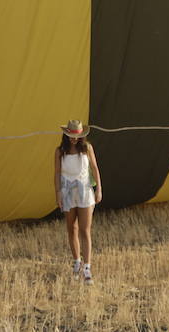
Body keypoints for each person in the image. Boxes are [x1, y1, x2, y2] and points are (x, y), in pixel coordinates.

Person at [54, 118, 102, 284]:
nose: (74, 138)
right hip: (68, 191)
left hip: (85, 191)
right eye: (70, 135)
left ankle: (87, 267)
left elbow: (95, 168)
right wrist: (58, 193)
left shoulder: (87, 148)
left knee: (85, 229)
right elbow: (57, 173)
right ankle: (77, 262)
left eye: (76, 136)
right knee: (71, 228)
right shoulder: (60, 151)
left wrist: (99, 189)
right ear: (66, 135)